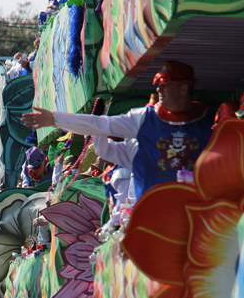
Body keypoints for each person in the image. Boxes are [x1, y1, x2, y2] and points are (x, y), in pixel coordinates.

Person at [23, 60, 213, 200]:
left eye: (165, 85)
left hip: (196, 210)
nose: (159, 90)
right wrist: (55, 119)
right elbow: (101, 125)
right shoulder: (144, 118)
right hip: (151, 217)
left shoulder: (210, 120)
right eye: (158, 85)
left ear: (183, 89)